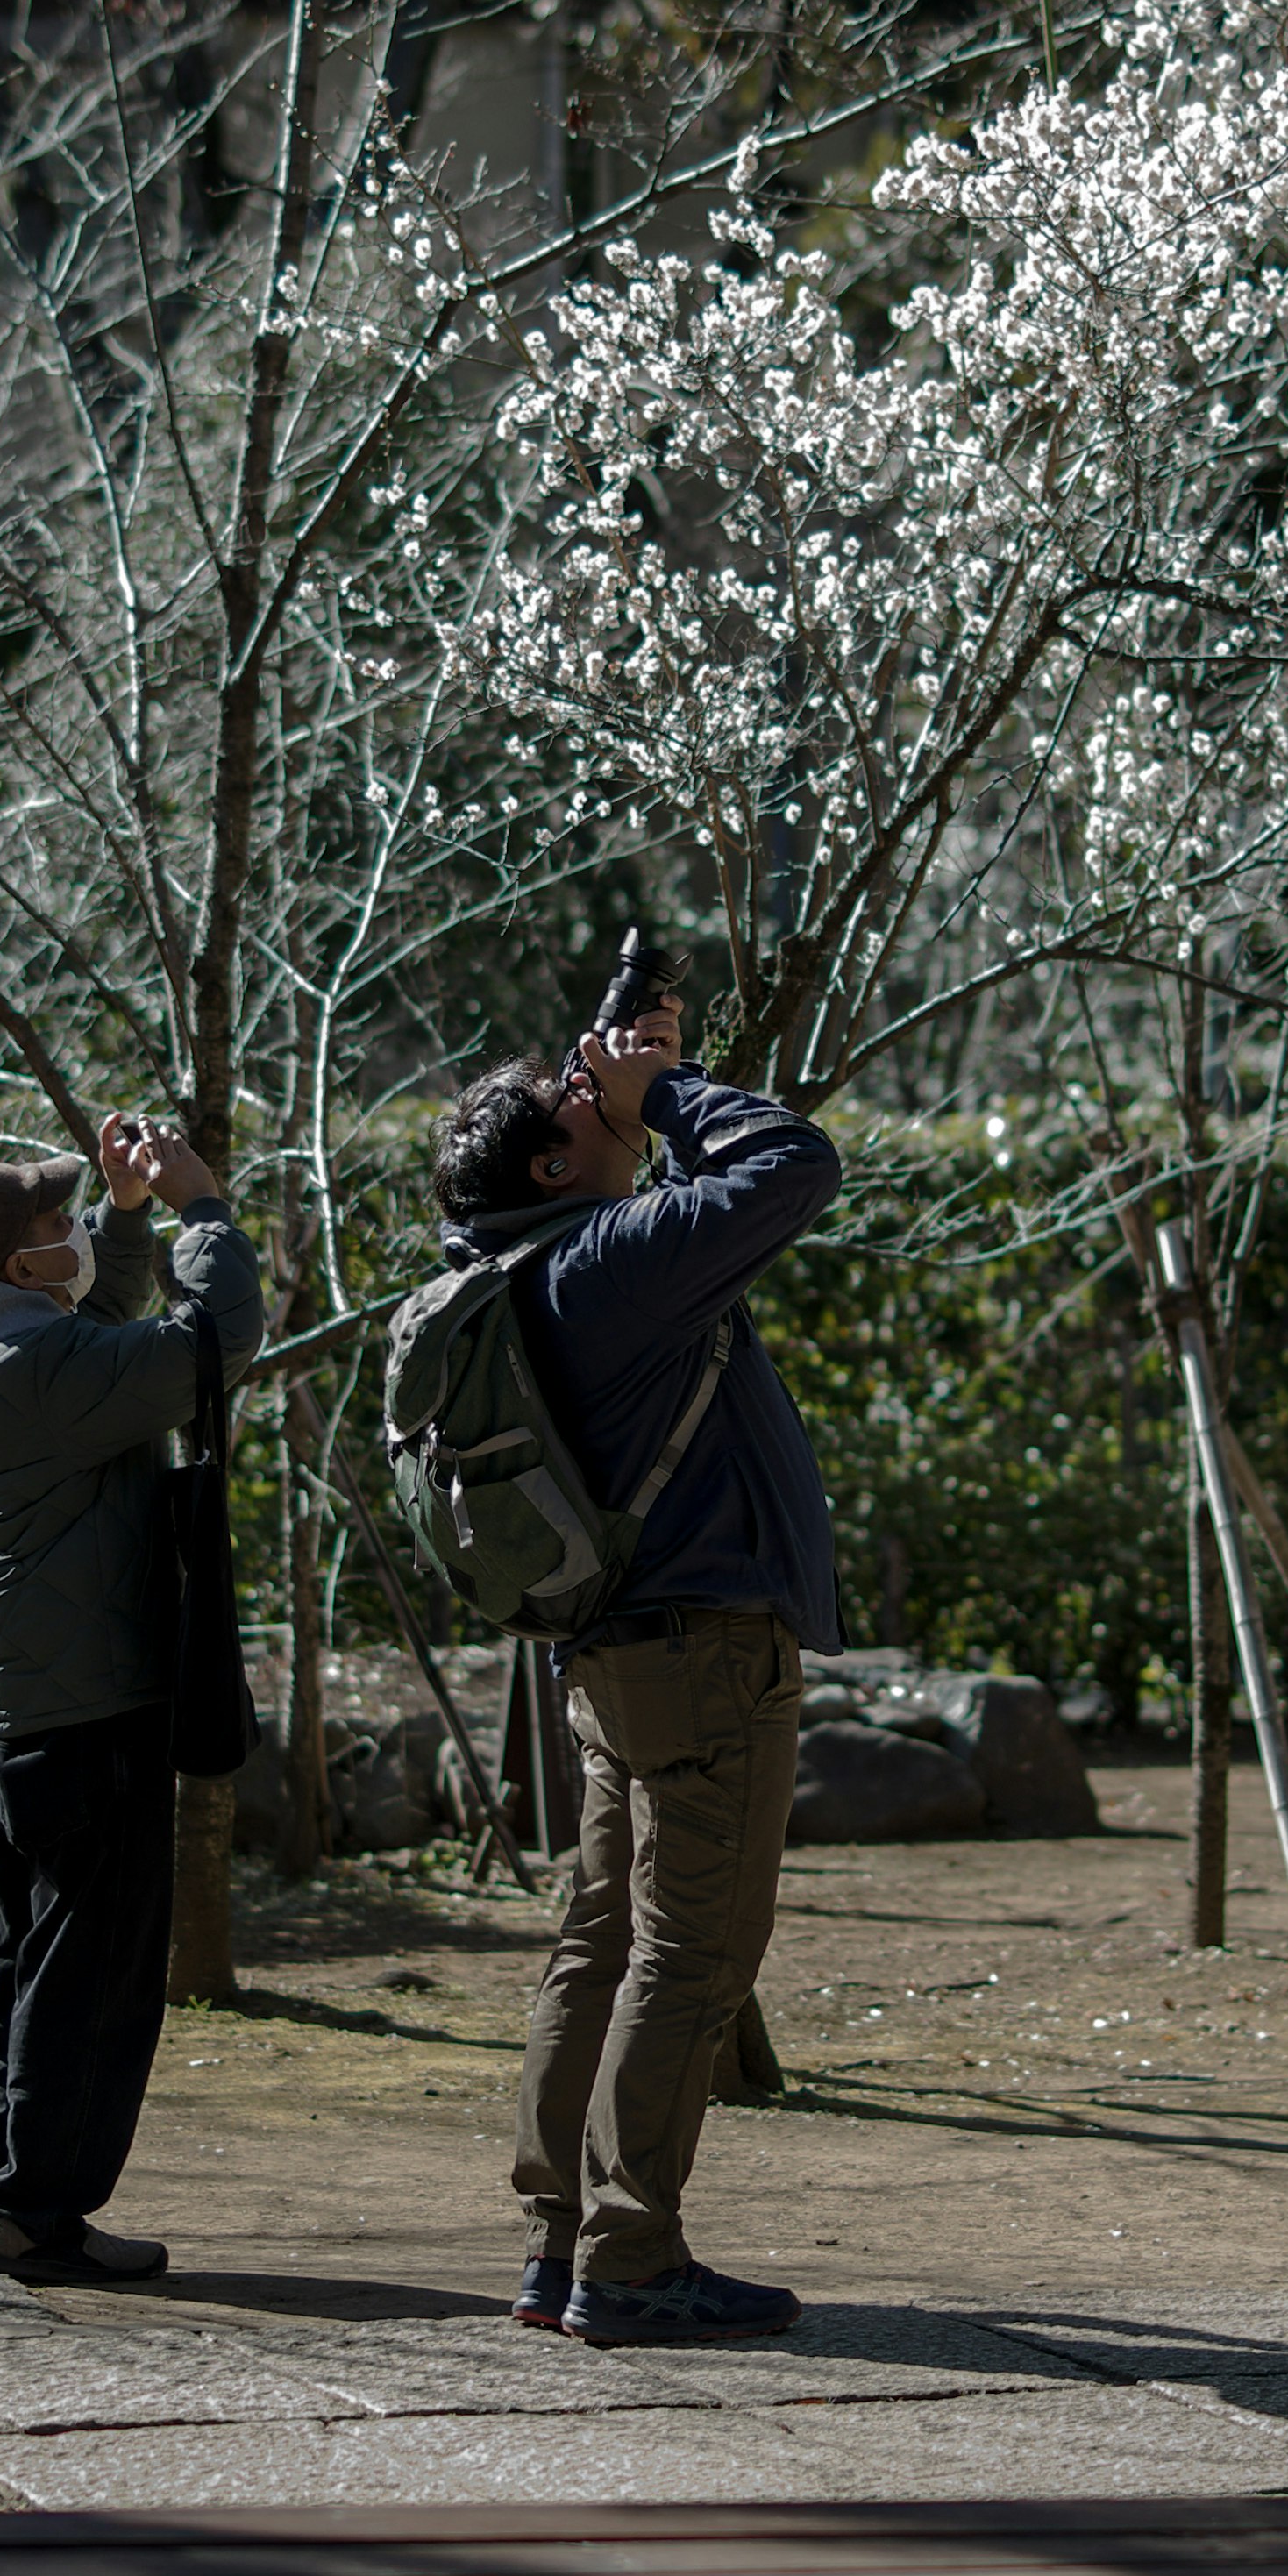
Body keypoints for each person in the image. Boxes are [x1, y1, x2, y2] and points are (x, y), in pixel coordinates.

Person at [432, 989, 840, 2345]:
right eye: (571, 1103)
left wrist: (629, 1090)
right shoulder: (607, 1263)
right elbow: (794, 1165)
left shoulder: (529, 1272)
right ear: (553, 1166)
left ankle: (561, 2244)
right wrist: (664, 1091)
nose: (590, 1091)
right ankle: (632, 2259)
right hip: (706, 1653)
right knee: (692, 1960)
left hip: (624, 1657)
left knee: (599, 1946)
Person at [0, 1110, 262, 2283]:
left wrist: (123, 1214)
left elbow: (97, 1316)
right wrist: (202, 1209)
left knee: (31, 1963)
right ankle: (40, 2215)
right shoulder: (42, 1368)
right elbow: (212, 1343)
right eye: (56, 1221)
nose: (70, 1229)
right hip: (93, 1708)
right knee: (91, 1975)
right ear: (20, 1264)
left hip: (23, 1710)